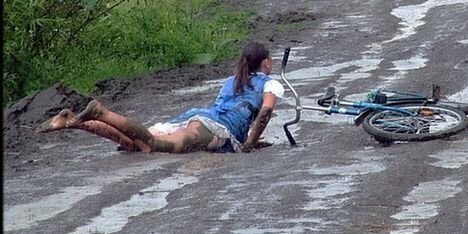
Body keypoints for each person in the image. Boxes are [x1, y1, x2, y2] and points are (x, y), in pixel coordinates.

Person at [35, 40, 285, 153]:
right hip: (217, 130)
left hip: (198, 117)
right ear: (266, 63)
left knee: (136, 143)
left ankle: (76, 122)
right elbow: (265, 112)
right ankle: (102, 113)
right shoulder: (269, 83)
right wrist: (250, 143)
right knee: (156, 146)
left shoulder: (232, 80)